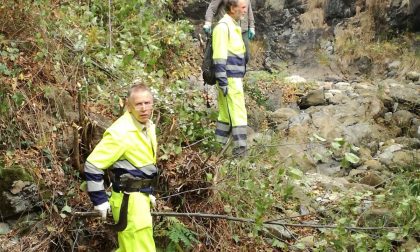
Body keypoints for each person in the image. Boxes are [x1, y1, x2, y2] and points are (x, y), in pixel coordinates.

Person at [84, 83, 158, 252]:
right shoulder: (121, 132)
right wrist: (100, 200)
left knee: (129, 247)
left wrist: (149, 190)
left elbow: (143, 162)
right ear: (128, 105)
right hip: (129, 201)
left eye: (147, 103)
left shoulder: (148, 126)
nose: (144, 108)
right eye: (138, 104)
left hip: (140, 198)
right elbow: (93, 164)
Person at [212, 0, 248, 156]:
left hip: (233, 78)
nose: (245, 10)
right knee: (238, 114)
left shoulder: (233, 26)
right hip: (230, 78)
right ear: (233, 9)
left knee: (225, 115)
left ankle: (216, 151)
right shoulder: (223, 27)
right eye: (243, 7)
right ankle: (240, 152)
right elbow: (219, 56)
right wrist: (223, 81)